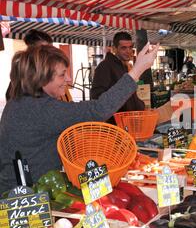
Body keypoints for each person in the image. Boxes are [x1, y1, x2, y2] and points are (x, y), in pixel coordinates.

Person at [0, 43, 159, 194]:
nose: (69, 79)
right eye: (62, 75)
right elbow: (98, 109)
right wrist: (137, 69)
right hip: (28, 199)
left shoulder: (18, 103)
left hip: (20, 191)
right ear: (41, 78)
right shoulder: (41, 109)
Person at [90, 32, 145, 124]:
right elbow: (97, 96)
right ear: (114, 49)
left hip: (129, 122)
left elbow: (130, 96)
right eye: (123, 48)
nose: (128, 51)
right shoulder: (105, 66)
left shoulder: (124, 66)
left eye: (130, 47)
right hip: (116, 125)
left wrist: (141, 105)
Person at [5, 29, 54, 101]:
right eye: (44, 48)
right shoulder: (22, 63)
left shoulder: (46, 64)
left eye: (50, 48)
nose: (49, 52)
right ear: (32, 48)